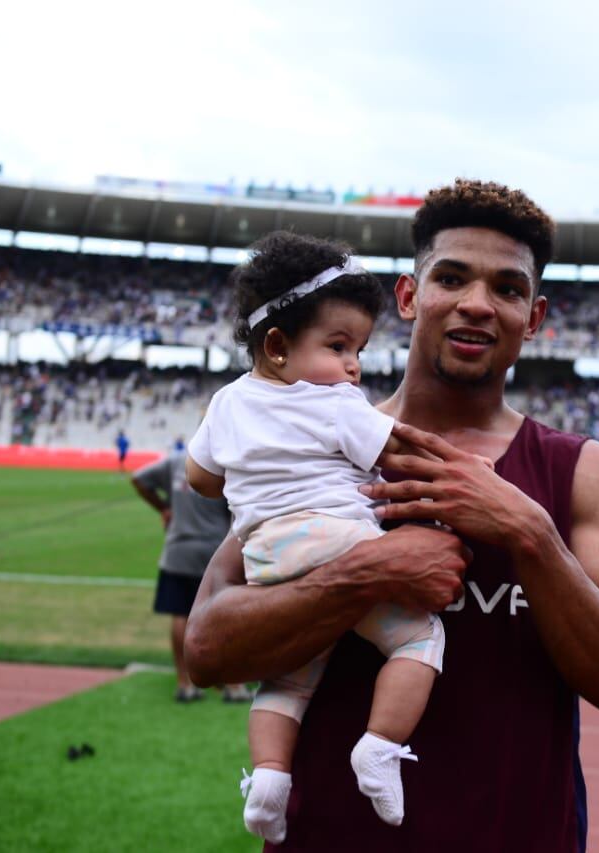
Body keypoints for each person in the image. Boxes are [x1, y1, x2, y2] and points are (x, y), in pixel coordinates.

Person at [185, 179, 599, 852]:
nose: (476, 304)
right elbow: (206, 647)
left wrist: (529, 533)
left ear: (536, 315)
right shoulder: (313, 439)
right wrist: (366, 571)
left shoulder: (576, 470)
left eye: (508, 289)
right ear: (409, 296)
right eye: (453, 277)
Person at [185, 231, 451, 843]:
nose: (353, 364)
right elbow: (403, 455)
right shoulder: (337, 402)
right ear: (276, 345)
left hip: (264, 558)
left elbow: (201, 479)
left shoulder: (225, 403)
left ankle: (272, 781)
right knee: (420, 639)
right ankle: (380, 747)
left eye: (357, 348)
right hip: (336, 538)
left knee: (287, 678)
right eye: (339, 346)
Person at [130, 446, 252, 703]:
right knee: (226, 616)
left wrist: (163, 508)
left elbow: (138, 479)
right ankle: (232, 685)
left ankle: (185, 683)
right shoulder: (227, 464)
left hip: (178, 550)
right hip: (216, 552)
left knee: (180, 614)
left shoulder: (176, 462)